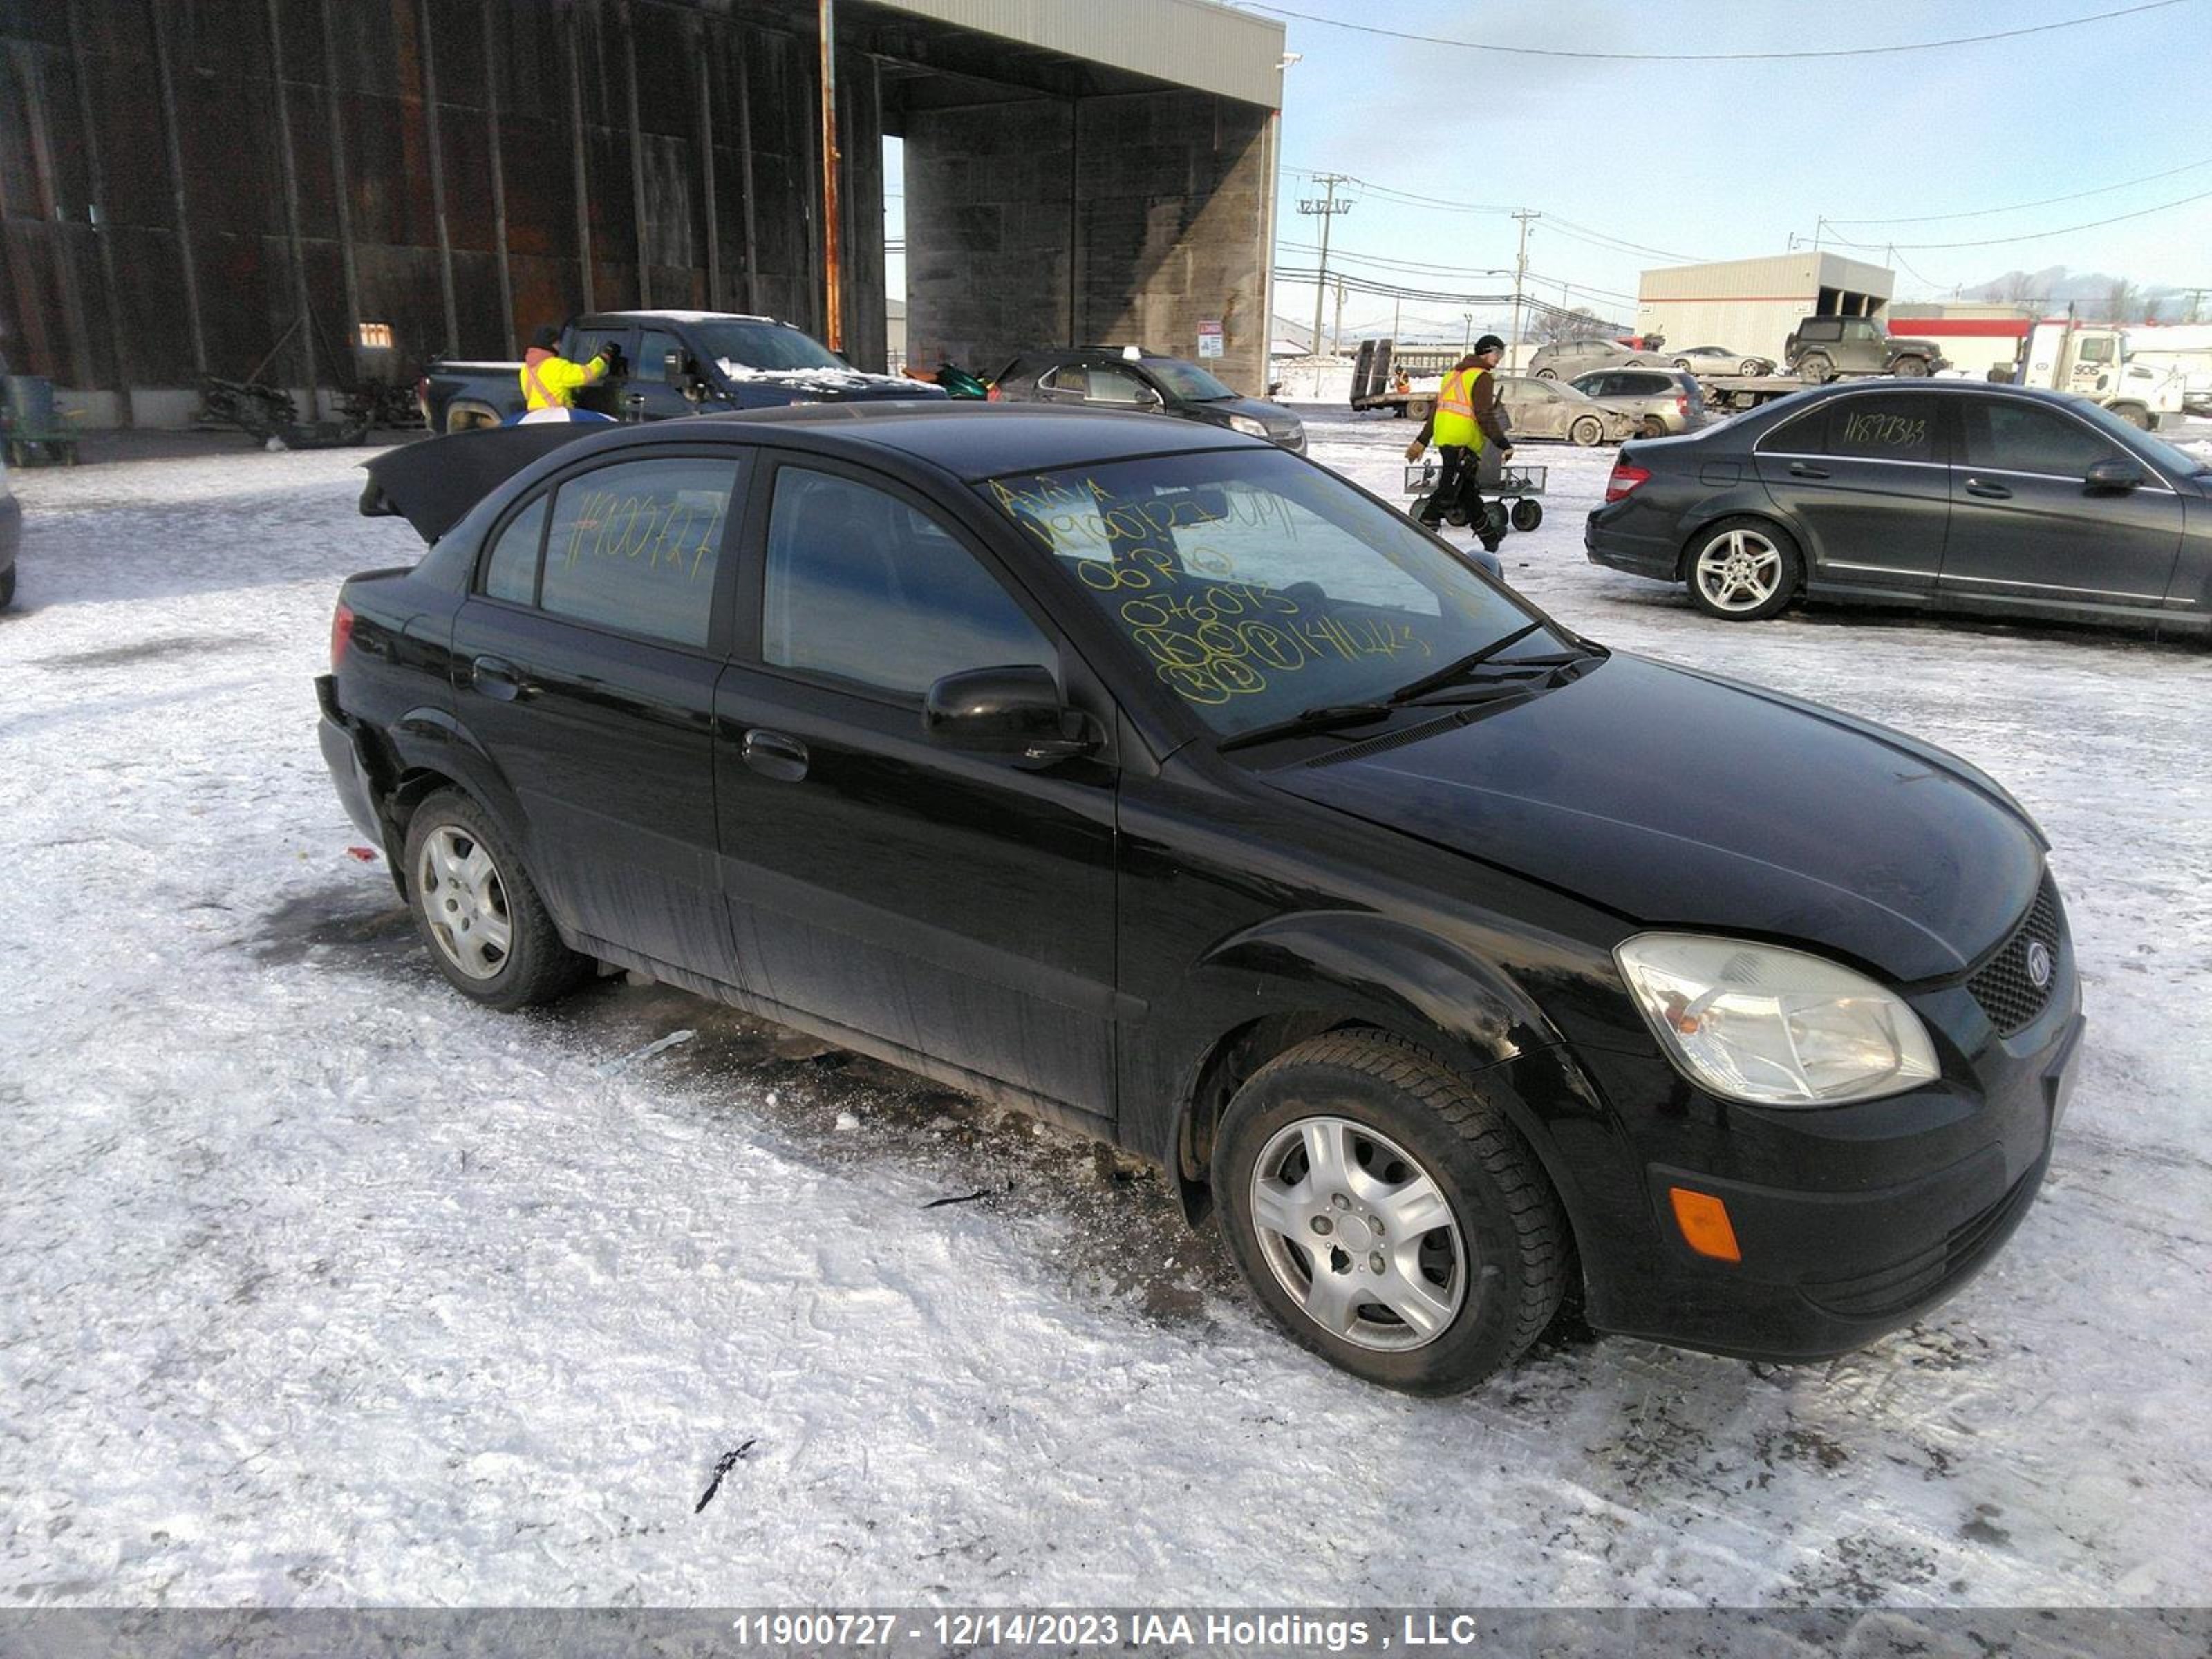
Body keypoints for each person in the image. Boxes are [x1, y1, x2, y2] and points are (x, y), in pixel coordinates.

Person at [1405, 334, 1513, 550]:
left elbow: (1436, 411)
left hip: (1446, 440)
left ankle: (1490, 539)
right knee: (1447, 492)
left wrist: (1422, 441)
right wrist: (1502, 442)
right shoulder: (1481, 377)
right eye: (1497, 353)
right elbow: (1484, 414)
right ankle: (1420, 535)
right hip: (1464, 442)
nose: (1499, 358)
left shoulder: (1452, 375)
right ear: (1486, 351)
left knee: (1467, 492)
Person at [516, 325, 619, 423]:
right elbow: (588, 374)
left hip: (533, 419)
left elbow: (528, 395)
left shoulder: (526, 369)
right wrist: (604, 357)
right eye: (557, 343)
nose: (560, 346)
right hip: (557, 419)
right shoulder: (556, 366)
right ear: (550, 344)